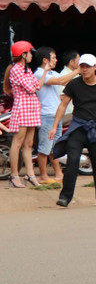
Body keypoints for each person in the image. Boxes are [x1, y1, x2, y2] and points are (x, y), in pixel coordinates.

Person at [49, 54, 96, 207]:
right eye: (82, 66)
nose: (85, 69)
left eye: (88, 66)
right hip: (78, 126)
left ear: (95, 67)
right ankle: (65, 197)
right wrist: (55, 126)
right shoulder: (74, 84)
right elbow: (63, 105)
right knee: (72, 160)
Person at [34, 47, 80, 184]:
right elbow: (60, 81)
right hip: (47, 115)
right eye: (53, 58)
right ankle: (43, 175)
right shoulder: (39, 73)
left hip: (55, 115)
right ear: (45, 60)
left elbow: (64, 80)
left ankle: (59, 173)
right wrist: (77, 71)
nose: (56, 60)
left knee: (55, 147)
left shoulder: (52, 72)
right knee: (45, 147)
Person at [5, 41, 44, 188]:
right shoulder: (17, 69)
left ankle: (30, 174)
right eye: (29, 53)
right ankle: (14, 175)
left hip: (31, 108)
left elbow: (37, 86)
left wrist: (37, 81)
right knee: (18, 143)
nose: (31, 56)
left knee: (28, 144)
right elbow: (31, 88)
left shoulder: (26, 69)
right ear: (23, 54)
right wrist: (34, 85)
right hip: (22, 108)